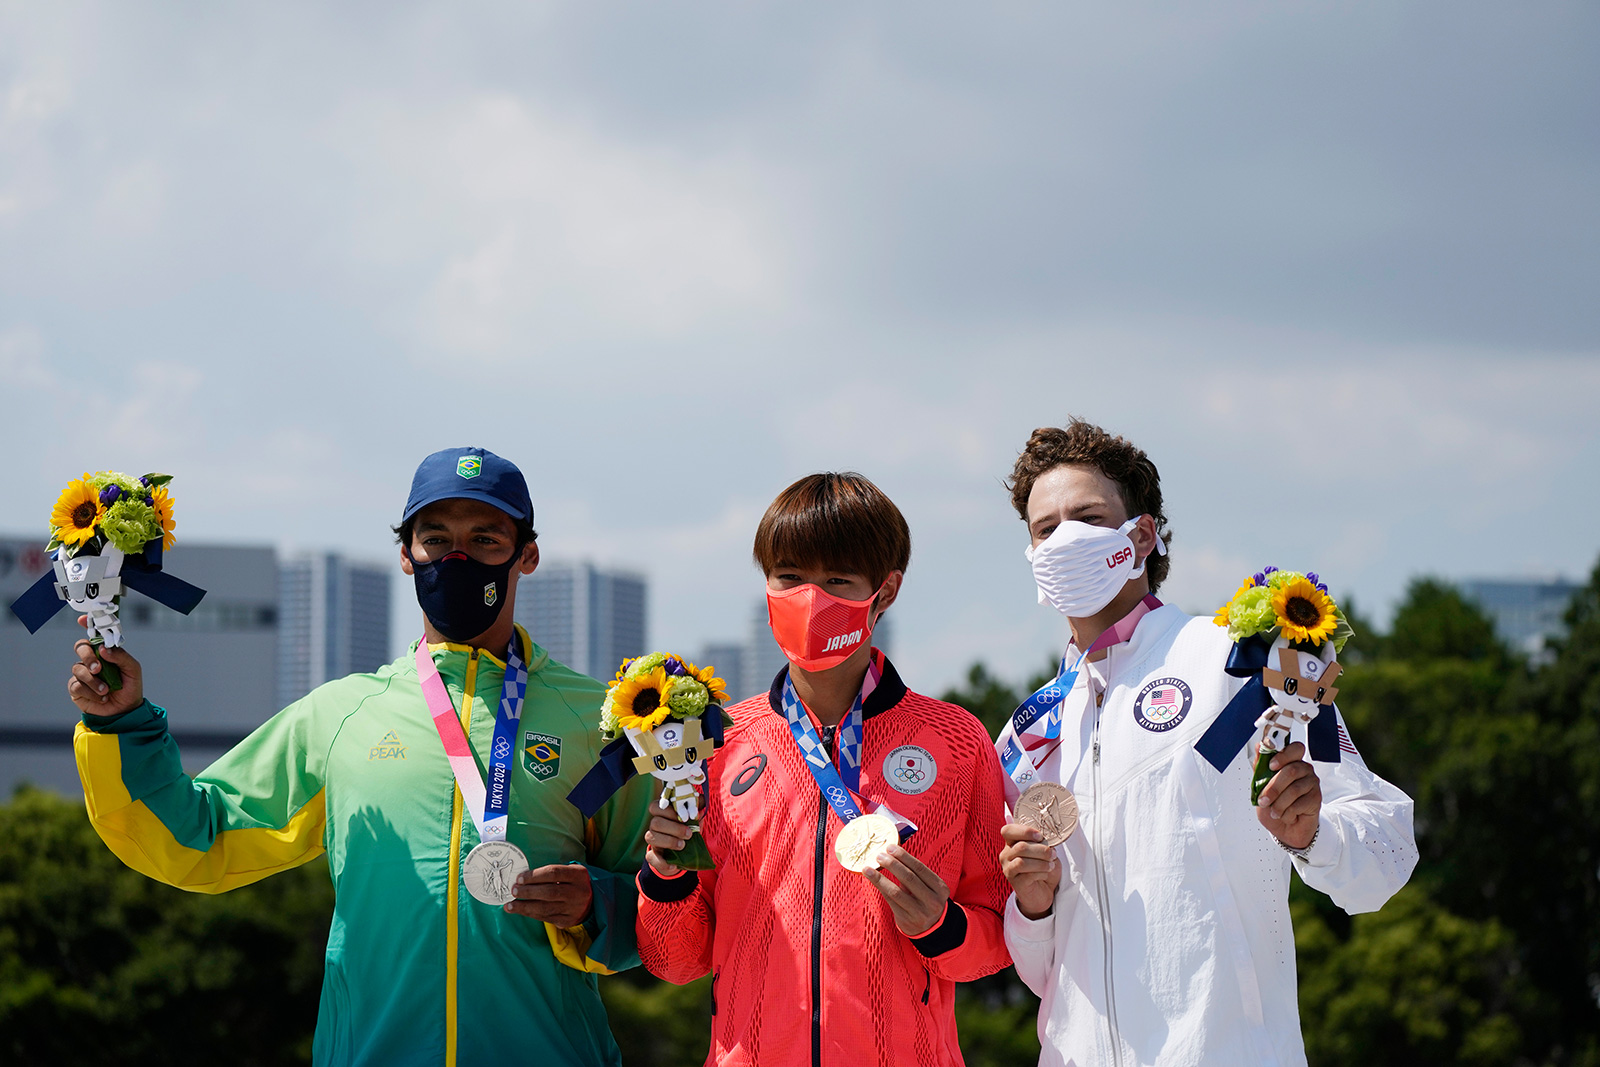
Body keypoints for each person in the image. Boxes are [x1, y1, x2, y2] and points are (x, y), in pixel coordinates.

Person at [66, 447, 656, 1067]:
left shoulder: (601, 722)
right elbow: (200, 838)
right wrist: (121, 725)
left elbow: (671, 903)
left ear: (526, 555)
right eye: (436, 539)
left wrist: (598, 905)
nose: (457, 558)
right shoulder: (342, 717)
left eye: (485, 539)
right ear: (406, 555)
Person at [994, 420, 1418, 1067]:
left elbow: (1385, 847)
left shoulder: (1240, 659)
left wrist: (1313, 834)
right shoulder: (1030, 736)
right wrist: (1032, 903)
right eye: (1044, 529)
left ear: (1141, 534)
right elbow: (1038, 969)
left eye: (1086, 515)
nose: (1063, 539)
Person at [636, 472, 1012, 1067]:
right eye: (789, 577)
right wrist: (664, 875)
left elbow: (999, 943)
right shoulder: (717, 743)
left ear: (884, 592)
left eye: (837, 580)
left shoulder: (955, 741)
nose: (810, 598)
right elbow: (675, 962)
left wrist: (943, 927)